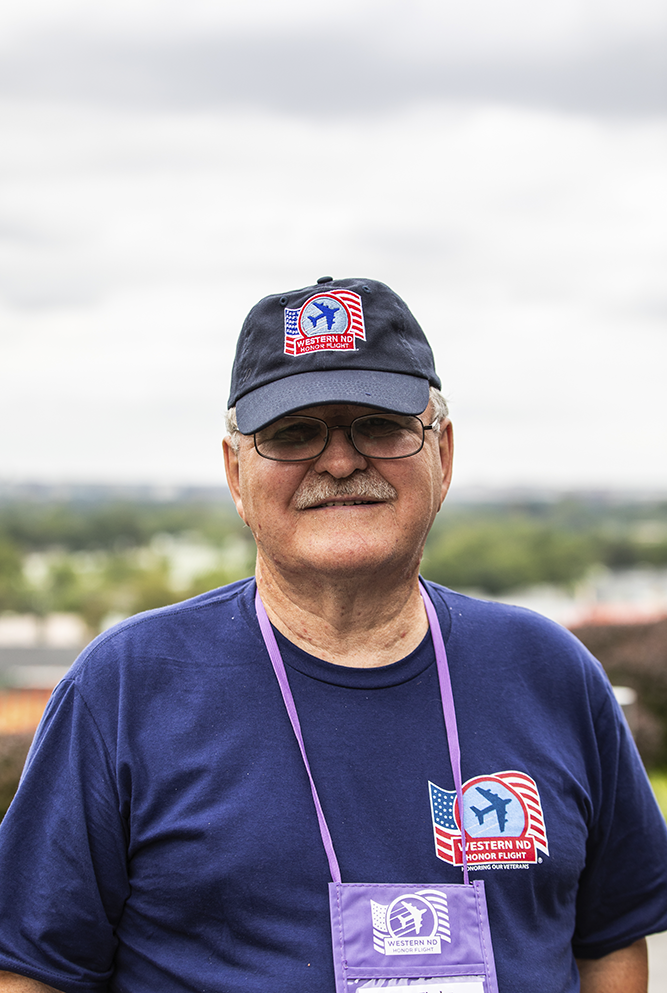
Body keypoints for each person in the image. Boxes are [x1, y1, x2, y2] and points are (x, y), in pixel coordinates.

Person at [0, 276, 666, 993]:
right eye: (293, 433)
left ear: (441, 453)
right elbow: (36, 971)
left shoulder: (550, 670)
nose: (341, 460)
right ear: (234, 472)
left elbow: (608, 940)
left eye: (378, 425)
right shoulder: (126, 685)